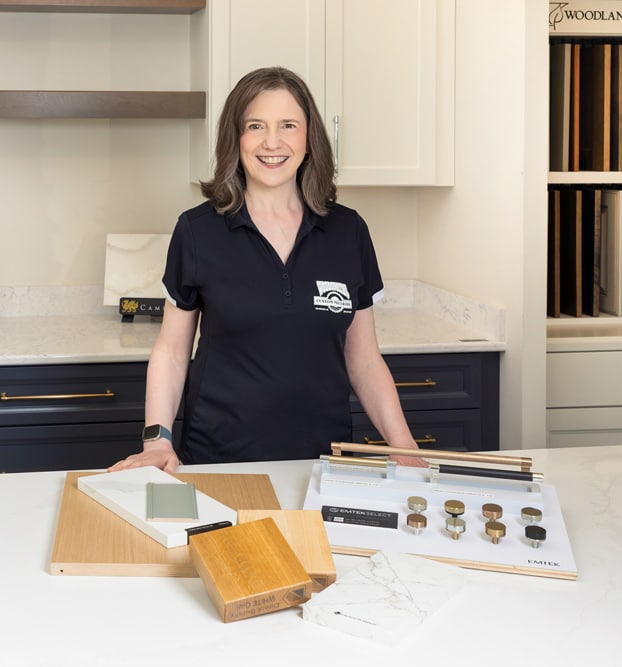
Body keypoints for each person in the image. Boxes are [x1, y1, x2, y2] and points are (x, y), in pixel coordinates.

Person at [109, 66, 421, 473]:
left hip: (323, 462)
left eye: (288, 125)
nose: (271, 142)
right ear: (235, 139)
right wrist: (157, 439)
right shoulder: (198, 230)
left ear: (309, 139)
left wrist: (403, 444)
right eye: (255, 125)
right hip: (219, 461)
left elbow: (363, 359)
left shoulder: (348, 231)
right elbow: (171, 350)